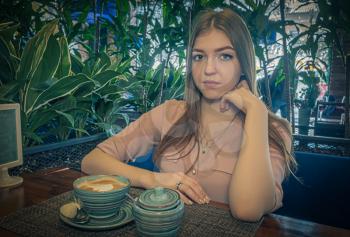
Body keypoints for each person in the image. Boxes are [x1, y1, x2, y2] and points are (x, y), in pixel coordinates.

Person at [81, 8, 296, 222]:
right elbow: (92, 161)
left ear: (244, 64)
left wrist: (256, 111)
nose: (208, 69)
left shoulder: (272, 130)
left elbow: (247, 210)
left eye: (225, 56)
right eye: (199, 56)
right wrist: (153, 179)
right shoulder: (170, 113)